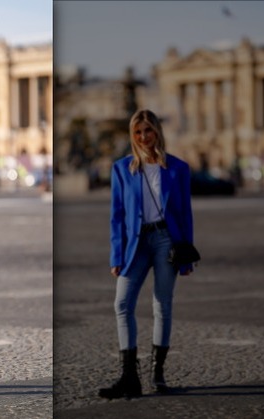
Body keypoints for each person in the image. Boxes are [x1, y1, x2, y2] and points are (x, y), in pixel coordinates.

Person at [100, 109, 195, 399]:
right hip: (136, 243)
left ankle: (157, 374)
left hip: (167, 239)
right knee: (122, 303)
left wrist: (187, 255)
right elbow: (116, 215)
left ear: (157, 132)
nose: (143, 137)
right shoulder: (122, 168)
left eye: (148, 131)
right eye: (138, 132)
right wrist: (116, 255)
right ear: (132, 135)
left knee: (161, 304)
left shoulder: (177, 168)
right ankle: (129, 376)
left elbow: (185, 213)